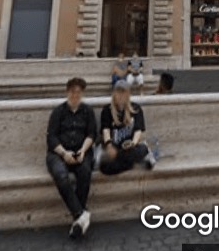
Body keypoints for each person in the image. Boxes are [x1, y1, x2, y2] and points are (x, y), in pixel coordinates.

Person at [46, 77, 97, 239]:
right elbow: (51, 138)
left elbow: (91, 134)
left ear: (82, 93)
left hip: (82, 152)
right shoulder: (58, 112)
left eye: (78, 92)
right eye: (72, 91)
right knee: (61, 176)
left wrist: (82, 151)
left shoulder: (88, 111)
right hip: (58, 154)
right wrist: (64, 153)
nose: (75, 95)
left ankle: (78, 220)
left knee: (85, 173)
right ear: (67, 92)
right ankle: (81, 214)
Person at [99, 80, 155, 175]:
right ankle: (132, 163)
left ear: (128, 94)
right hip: (115, 148)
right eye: (118, 92)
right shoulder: (107, 110)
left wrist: (133, 143)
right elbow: (106, 130)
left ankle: (131, 160)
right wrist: (109, 146)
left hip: (131, 147)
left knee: (141, 149)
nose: (121, 95)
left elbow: (138, 131)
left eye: (123, 92)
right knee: (104, 167)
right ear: (114, 93)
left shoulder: (136, 108)